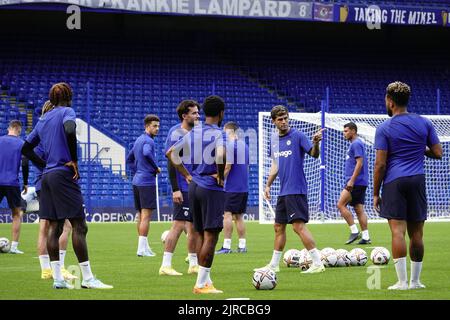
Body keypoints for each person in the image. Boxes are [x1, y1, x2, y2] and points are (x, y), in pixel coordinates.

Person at [22, 82, 112, 289]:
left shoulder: (43, 118)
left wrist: (44, 165)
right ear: (69, 96)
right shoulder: (67, 111)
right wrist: (74, 160)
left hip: (47, 177)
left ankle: (58, 279)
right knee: (80, 226)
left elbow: (26, 148)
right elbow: (70, 128)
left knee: (55, 226)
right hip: (63, 175)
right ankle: (88, 279)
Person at [373, 81, 442, 290]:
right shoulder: (424, 122)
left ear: (390, 101)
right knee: (417, 234)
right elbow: (438, 153)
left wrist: (376, 193)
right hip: (418, 180)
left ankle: (402, 282)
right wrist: (420, 149)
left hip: (395, 181)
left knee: (397, 232)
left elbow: (380, 164)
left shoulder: (384, 128)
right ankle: (416, 281)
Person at [254, 105, 325, 274]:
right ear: (274, 122)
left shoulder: (298, 135)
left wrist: (315, 143)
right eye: (280, 119)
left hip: (296, 189)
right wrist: (268, 185)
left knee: (298, 227)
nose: (284, 121)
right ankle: (273, 265)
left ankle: (317, 263)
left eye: (285, 118)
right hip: (283, 191)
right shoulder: (273, 141)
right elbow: (275, 165)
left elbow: (314, 154)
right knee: (278, 227)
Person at [167, 95, 226, 294]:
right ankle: (200, 284)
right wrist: (220, 175)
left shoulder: (195, 131)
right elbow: (220, 154)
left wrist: (187, 175)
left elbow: (171, 154)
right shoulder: (219, 133)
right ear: (221, 113)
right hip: (210, 186)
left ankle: (205, 280)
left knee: (200, 233)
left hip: (194, 186)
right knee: (212, 236)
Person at [32, 101, 76, 280]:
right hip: (54, 181)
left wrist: (43, 166)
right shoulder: (52, 134)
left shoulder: (40, 132)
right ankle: (61, 267)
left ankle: (46, 270)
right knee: (65, 225)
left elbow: (27, 154)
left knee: (44, 227)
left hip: (41, 183)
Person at [159, 100, 201, 276]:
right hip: (182, 186)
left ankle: (193, 264)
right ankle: (165, 265)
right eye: (194, 113)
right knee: (177, 224)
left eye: (198, 112)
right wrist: (175, 188)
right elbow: (171, 160)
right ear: (184, 116)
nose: (198, 116)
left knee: (192, 227)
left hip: (193, 185)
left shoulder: (196, 133)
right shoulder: (176, 133)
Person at [127, 114, 161, 257]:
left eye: (158, 126)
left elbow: (129, 159)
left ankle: (145, 247)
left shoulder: (138, 140)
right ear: (147, 126)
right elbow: (147, 153)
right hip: (146, 182)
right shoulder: (148, 141)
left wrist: (137, 171)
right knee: (146, 216)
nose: (157, 128)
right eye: (154, 126)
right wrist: (155, 167)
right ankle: (141, 249)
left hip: (137, 181)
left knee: (140, 215)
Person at [216, 122, 249, 254]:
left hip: (232, 186)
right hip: (243, 187)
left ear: (229, 131)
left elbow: (228, 166)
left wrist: (220, 179)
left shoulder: (230, 145)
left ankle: (227, 246)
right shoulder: (245, 146)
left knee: (227, 215)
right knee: (239, 217)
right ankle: (242, 246)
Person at [336, 122, 371, 245]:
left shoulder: (356, 144)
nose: (343, 133)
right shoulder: (356, 143)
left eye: (346, 131)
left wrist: (351, 180)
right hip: (360, 181)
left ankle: (354, 230)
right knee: (359, 209)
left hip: (355, 182)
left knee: (340, 204)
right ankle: (366, 237)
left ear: (353, 131)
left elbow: (359, 163)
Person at [0, 120, 29, 254]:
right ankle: (14, 247)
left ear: (9, 128)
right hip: (12, 183)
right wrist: (26, 182)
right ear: (18, 129)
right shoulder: (21, 143)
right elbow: (24, 163)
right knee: (16, 214)